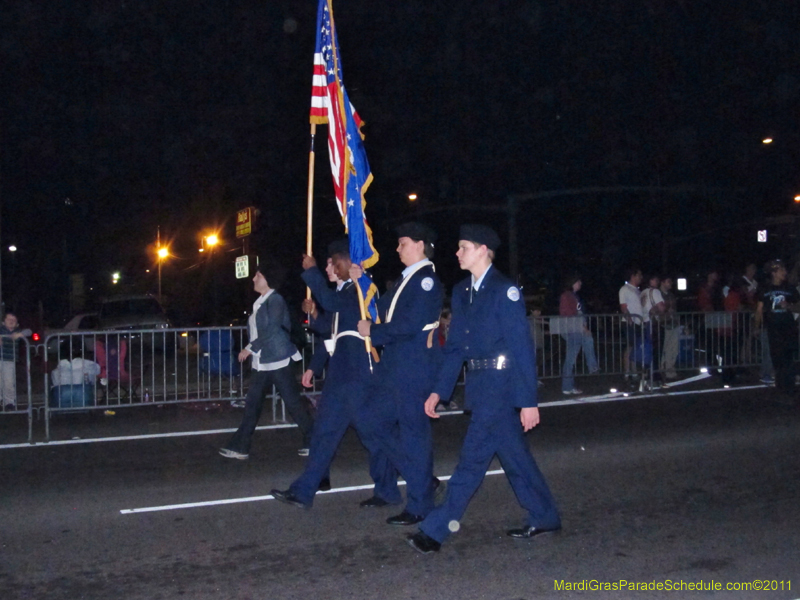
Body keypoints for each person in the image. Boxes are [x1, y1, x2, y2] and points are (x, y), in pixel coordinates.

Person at [407, 225, 560, 554]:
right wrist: (439, 391)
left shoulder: (505, 291)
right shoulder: (462, 293)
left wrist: (528, 401)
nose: (457, 253)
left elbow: (520, 348)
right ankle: (545, 515)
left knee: (471, 462)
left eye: (463, 247)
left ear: (482, 250)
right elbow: (456, 350)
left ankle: (436, 530)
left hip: (501, 387)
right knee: (515, 459)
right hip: (480, 386)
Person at [270, 239, 399, 509]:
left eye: (331, 262)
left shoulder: (359, 291)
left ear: (345, 263)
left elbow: (333, 304)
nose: (328, 267)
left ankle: (414, 479)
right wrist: (313, 363)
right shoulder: (343, 294)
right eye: (326, 263)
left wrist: (312, 271)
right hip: (341, 377)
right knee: (324, 434)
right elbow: (331, 333)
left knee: (376, 437)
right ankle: (304, 491)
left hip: (359, 377)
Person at [353, 222, 444, 526]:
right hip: (394, 369)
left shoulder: (426, 282)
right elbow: (384, 311)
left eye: (403, 242)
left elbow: (408, 325)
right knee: (369, 420)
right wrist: (361, 280)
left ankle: (420, 506)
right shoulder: (406, 281)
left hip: (413, 369)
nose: (397, 248)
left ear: (420, 245)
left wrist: (373, 332)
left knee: (413, 435)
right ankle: (420, 477)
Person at [219, 260, 316, 460]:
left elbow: (271, 329)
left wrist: (250, 347)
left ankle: (316, 441)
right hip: (263, 361)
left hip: (277, 359)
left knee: (293, 403)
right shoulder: (262, 301)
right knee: (253, 404)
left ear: (268, 280)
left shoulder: (275, 300)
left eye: (258, 275)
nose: (254, 278)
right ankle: (240, 446)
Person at [755, 260, 800, 400]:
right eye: (781, 270)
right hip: (773, 329)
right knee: (778, 360)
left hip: (788, 328)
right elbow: (759, 310)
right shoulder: (764, 288)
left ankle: (789, 388)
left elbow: (799, 306)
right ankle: (781, 388)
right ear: (774, 273)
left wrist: (789, 306)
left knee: (789, 359)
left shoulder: (790, 287)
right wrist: (757, 327)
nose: (784, 273)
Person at [558, 274, 599, 395]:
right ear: (573, 283)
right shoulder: (567, 296)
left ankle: (568, 386)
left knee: (574, 353)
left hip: (575, 329)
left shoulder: (573, 296)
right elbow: (569, 314)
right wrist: (582, 327)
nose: (580, 283)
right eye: (578, 281)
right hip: (572, 330)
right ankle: (591, 366)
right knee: (571, 357)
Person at [618, 268, 644, 385]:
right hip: (630, 322)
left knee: (635, 347)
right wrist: (629, 318)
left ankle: (634, 371)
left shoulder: (637, 290)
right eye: (638, 275)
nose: (640, 277)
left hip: (638, 322)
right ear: (633, 276)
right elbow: (624, 306)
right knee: (629, 347)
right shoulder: (625, 289)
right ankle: (627, 372)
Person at [1, 312, 31, 410]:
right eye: (9, 319)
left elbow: (29, 331)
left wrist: (20, 334)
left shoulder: (18, 331)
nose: (11, 321)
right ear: (3, 321)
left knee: (9, 382)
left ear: (17, 323)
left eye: (14, 320)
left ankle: (9, 403)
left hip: (9, 360)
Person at [640, 274, 665, 381]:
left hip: (645, 322)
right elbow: (662, 308)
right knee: (657, 349)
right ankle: (654, 373)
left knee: (648, 348)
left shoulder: (642, 293)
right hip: (655, 322)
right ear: (650, 281)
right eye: (655, 279)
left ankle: (646, 372)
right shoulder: (655, 292)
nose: (657, 282)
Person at [658, 277, 680, 379]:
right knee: (664, 348)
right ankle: (662, 368)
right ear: (663, 282)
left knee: (673, 348)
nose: (671, 283)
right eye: (668, 281)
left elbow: (674, 309)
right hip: (663, 324)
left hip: (673, 324)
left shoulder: (671, 295)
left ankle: (669, 369)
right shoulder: (658, 294)